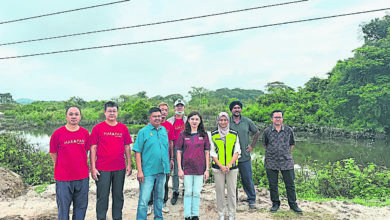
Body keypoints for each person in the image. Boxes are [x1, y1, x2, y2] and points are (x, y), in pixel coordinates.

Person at [90, 101, 133, 220]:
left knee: (118, 196)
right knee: (102, 197)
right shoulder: (97, 128)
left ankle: (117, 217)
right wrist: (93, 168)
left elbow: (127, 147)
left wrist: (129, 164)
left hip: (119, 168)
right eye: (109, 111)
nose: (112, 113)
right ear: (105, 112)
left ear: (117, 112)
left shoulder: (123, 128)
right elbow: (93, 148)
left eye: (114, 111)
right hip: (102, 169)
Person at [50, 106, 90, 220]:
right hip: (63, 179)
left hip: (82, 177)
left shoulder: (85, 133)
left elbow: (86, 151)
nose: (74, 116)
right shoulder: (57, 134)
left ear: (80, 117)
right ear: (66, 116)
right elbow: (53, 153)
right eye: (71, 114)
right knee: (63, 208)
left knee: (81, 207)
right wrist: (62, 165)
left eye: (76, 114)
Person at [262, 110, 303, 214]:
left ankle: (293, 204)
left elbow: (292, 144)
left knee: (290, 184)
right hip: (271, 161)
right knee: (273, 184)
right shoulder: (267, 131)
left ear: (282, 118)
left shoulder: (289, 130)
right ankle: (275, 203)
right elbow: (265, 145)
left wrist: (285, 153)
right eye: (276, 117)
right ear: (272, 119)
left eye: (280, 117)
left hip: (286, 161)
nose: (278, 119)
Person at [133, 107, 170, 220]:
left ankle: (158, 217)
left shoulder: (164, 131)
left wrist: (168, 167)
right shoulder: (143, 132)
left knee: (159, 198)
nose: (157, 118)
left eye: (159, 116)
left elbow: (166, 149)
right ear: (149, 117)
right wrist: (139, 171)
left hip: (162, 171)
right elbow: (137, 152)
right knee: (144, 200)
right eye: (155, 116)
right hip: (148, 172)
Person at [176, 111, 210, 220]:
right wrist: (180, 169)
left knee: (196, 192)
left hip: (200, 168)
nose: (194, 121)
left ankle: (195, 214)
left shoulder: (204, 134)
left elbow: (207, 152)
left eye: (196, 119)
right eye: (192, 119)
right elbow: (178, 152)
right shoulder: (183, 134)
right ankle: (187, 215)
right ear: (188, 120)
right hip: (187, 168)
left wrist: (207, 169)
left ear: (200, 121)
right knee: (188, 192)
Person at [229, 100, 260, 209]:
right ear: (231, 110)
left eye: (238, 108)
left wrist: (252, 146)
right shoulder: (227, 121)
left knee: (247, 178)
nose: (237, 110)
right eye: (234, 108)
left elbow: (256, 132)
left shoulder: (247, 121)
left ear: (241, 109)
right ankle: (234, 199)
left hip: (245, 156)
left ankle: (251, 200)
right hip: (231, 157)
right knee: (232, 180)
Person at [210, 112, 241, 220]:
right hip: (218, 168)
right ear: (218, 121)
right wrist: (221, 166)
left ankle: (232, 214)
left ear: (228, 121)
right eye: (221, 120)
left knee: (232, 193)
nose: (223, 122)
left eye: (225, 120)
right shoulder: (213, 135)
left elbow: (237, 151)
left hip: (232, 168)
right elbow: (212, 153)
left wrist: (228, 165)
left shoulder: (234, 134)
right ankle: (221, 214)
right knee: (220, 192)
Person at [147, 103, 175, 215]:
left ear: (168, 112)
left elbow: (171, 143)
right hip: (152, 161)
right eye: (161, 110)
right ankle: (150, 204)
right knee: (151, 183)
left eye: (165, 110)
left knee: (165, 182)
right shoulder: (149, 125)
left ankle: (163, 202)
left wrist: (171, 158)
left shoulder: (169, 126)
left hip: (165, 160)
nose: (163, 112)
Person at [167, 99, 187, 205]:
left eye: (181, 106)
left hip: (187, 148)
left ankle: (185, 190)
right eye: (177, 106)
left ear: (184, 108)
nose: (179, 108)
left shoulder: (188, 120)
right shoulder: (170, 121)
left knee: (186, 170)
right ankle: (175, 191)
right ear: (174, 108)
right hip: (175, 147)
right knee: (175, 170)